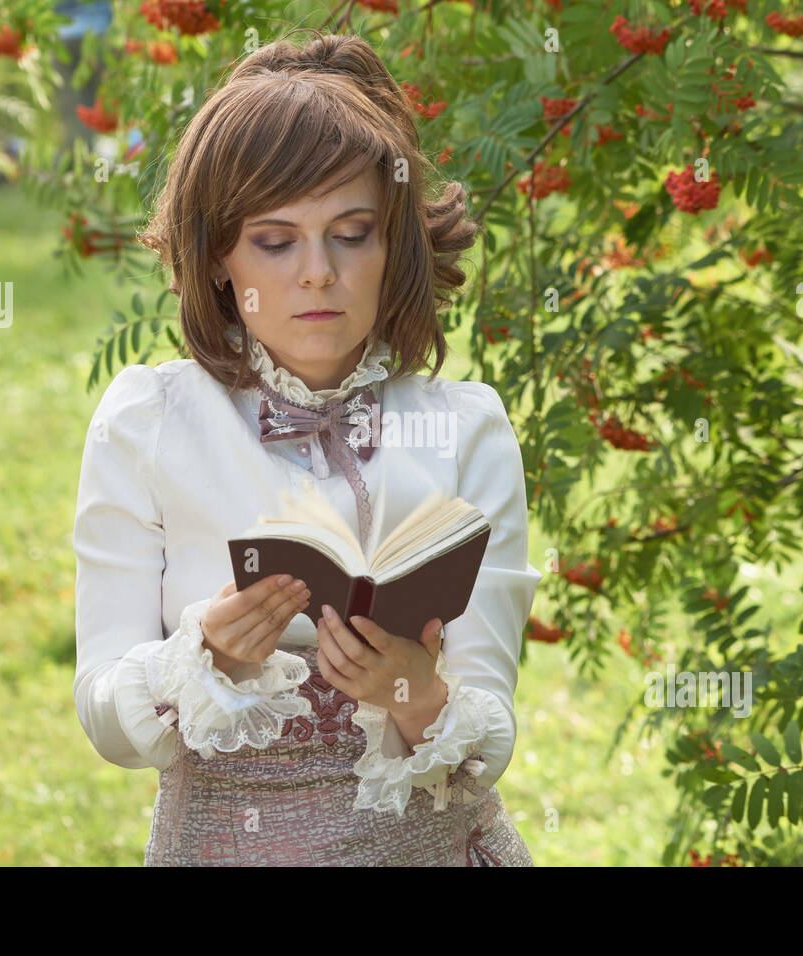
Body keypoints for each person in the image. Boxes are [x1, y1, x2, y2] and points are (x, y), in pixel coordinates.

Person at [72, 29, 540, 866]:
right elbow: (105, 717)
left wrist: (410, 688)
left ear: (393, 242)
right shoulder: (147, 421)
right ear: (217, 257)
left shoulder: (468, 428)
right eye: (276, 240)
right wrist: (201, 657)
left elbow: (486, 745)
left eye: (351, 233)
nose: (317, 272)